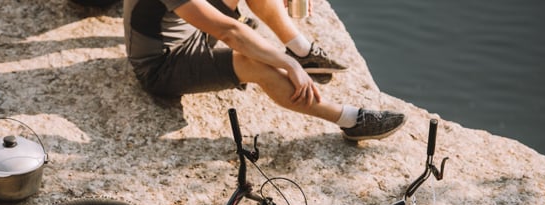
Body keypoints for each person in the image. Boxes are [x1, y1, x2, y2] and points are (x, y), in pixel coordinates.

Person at [123, 0, 406, 141]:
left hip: (189, 32)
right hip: (164, 65)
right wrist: (287, 64)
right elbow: (230, 31)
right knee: (256, 64)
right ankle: (350, 120)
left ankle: (301, 49)